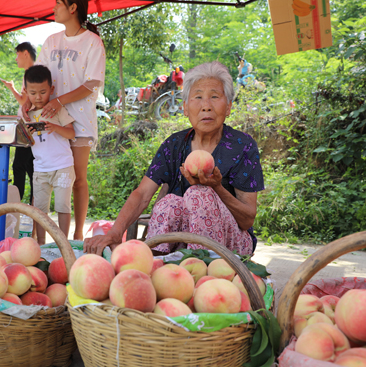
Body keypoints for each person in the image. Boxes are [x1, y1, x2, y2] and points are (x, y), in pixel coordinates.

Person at [84, 61, 265, 256]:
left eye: (214, 96)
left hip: (230, 246)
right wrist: (115, 232)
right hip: (181, 240)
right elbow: (143, 194)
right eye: (198, 97)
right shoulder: (175, 144)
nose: (206, 106)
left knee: (199, 194)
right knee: (169, 203)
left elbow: (247, 220)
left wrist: (217, 188)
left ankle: (203, 267)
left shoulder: (242, 146)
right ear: (185, 108)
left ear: (228, 107)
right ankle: (157, 261)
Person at [23, 0, 106, 241]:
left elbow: (91, 84)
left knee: (78, 179)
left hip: (78, 120)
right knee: (44, 176)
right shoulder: (51, 40)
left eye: (58, 3)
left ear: (72, 8)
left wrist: (58, 102)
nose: (53, 7)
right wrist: (27, 99)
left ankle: (77, 236)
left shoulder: (92, 41)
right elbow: (35, 74)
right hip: (47, 119)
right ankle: (41, 239)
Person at [24, 65, 76, 244]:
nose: (38, 97)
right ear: (26, 92)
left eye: (43, 92)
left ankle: (63, 243)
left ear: (51, 90)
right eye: (33, 93)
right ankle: (40, 243)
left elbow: (71, 134)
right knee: (39, 209)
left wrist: (55, 127)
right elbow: (22, 141)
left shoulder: (57, 109)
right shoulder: (25, 114)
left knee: (63, 206)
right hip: (40, 168)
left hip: (63, 166)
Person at [0, 42, 36, 204]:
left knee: (19, 166)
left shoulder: (32, 74)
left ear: (25, 53)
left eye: (17, 54)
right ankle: (32, 204)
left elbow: (25, 101)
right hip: (30, 125)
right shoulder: (30, 73)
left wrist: (12, 89)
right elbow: (24, 101)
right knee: (29, 167)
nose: (16, 59)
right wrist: (12, 88)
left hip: (30, 126)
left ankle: (16, 204)